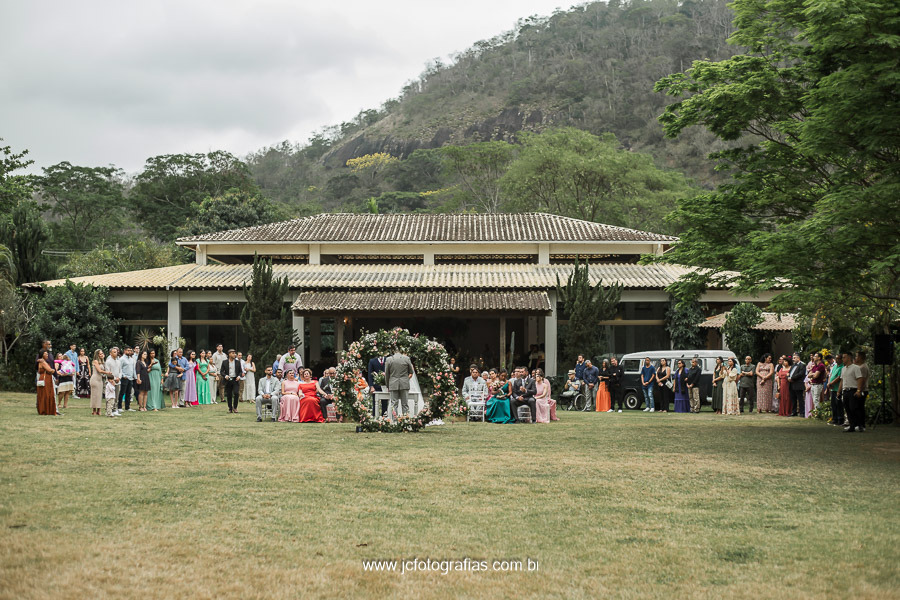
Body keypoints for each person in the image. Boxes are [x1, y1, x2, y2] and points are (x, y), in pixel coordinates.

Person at [385, 350, 415, 422]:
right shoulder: (406, 359)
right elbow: (411, 371)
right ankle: (405, 421)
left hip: (393, 383)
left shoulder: (389, 359)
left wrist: (387, 385)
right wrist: (405, 378)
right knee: (405, 404)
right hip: (404, 383)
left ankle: (394, 421)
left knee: (394, 404)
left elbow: (387, 374)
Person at [219, 349, 243, 413]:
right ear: (229, 354)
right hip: (228, 380)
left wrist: (239, 376)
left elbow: (240, 371)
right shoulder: (225, 362)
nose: (234, 354)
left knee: (236, 393)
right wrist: (225, 376)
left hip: (235, 379)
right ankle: (230, 408)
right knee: (229, 394)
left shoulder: (237, 362)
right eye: (232, 353)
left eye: (234, 353)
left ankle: (235, 407)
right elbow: (221, 371)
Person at [36, 349, 58, 416]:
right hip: (46, 378)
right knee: (46, 393)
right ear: (42, 355)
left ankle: (46, 409)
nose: (47, 355)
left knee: (44, 394)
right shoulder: (42, 362)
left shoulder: (42, 361)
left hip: (45, 378)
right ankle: (46, 410)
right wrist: (55, 369)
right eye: (46, 354)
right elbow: (50, 370)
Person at [852, 351, 870, 432]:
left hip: (862, 390)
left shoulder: (863, 367)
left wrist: (859, 390)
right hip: (860, 390)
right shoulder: (858, 366)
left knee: (859, 408)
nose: (855, 358)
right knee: (857, 407)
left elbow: (862, 380)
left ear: (860, 357)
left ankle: (861, 424)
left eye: (856, 356)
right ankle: (857, 424)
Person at [825, 354, 843, 425]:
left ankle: (840, 419)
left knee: (839, 405)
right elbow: (831, 375)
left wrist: (831, 383)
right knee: (833, 405)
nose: (837, 360)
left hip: (838, 388)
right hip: (832, 389)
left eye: (839, 358)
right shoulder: (835, 366)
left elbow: (839, 377)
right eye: (837, 358)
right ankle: (834, 419)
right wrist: (829, 383)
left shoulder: (842, 367)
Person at [90, 349, 109, 416]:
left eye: (102, 353)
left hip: (100, 379)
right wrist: (107, 373)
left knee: (99, 395)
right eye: (100, 354)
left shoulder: (103, 362)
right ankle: (94, 410)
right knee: (95, 395)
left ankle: (99, 409)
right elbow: (99, 370)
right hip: (95, 379)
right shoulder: (95, 361)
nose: (102, 355)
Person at [118, 346, 136, 412]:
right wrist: (123, 375)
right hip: (124, 378)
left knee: (129, 393)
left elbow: (133, 369)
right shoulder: (122, 359)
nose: (129, 352)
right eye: (128, 350)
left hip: (130, 378)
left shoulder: (131, 359)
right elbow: (120, 368)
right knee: (122, 392)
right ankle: (119, 407)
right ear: (125, 351)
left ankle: (127, 407)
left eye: (130, 350)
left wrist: (135, 377)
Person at [788, 352, 806, 417]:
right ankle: (794, 412)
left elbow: (800, 374)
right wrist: (788, 377)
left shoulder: (802, 365)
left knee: (800, 399)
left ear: (798, 358)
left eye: (794, 358)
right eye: (793, 358)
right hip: (792, 384)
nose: (793, 359)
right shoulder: (793, 366)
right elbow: (789, 373)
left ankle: (802, 412)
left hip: (798, 384)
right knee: (793, 399)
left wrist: (792, 378)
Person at [105, 347, 122, 412]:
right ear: (111, 353)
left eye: (116, 352)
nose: (116, 353)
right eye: (114, 352)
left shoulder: (118, 361)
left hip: (118, 381)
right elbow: (108, 372)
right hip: (110, 381)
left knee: (116, 397)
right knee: (110, 397)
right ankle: (109, 409)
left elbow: (120, 371)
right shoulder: (108, 362)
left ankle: (115, 409)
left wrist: (119, 378)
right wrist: (114, 378)